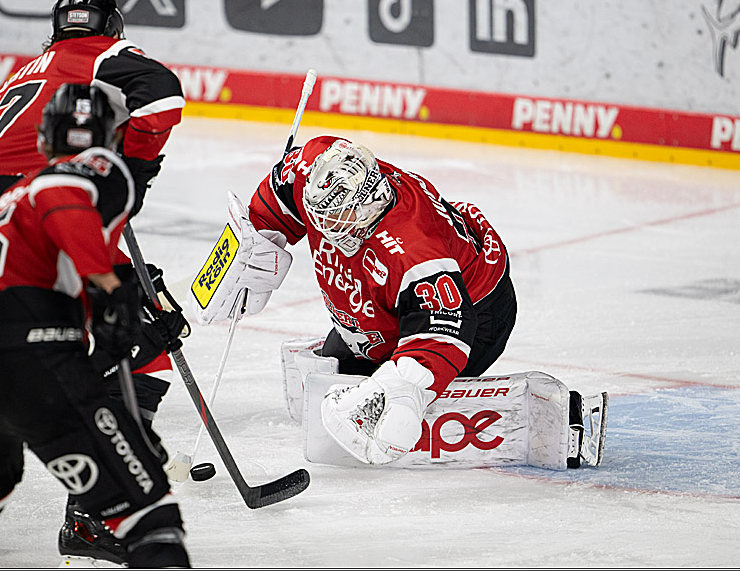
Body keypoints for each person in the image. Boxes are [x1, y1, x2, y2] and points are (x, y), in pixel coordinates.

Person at [0, 0, 189, 561]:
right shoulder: (103, 55)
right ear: (113, 26)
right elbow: (162, 97)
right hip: (29, 210)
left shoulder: (34, 68)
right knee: (143, 333)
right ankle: (99, 515)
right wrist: (135, 171)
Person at [190, 135, 606, 469]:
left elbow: (448, 327)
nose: (326, 228)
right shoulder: (319, 170)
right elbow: (281, 192)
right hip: (396, 308)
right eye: (321, 216)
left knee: (392, 402)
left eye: (338, 219)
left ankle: (547, 419)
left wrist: (405, 390)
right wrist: (258, 241)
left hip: (476, 313)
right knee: (344, 375)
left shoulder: (411, 248)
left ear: (369, 202)